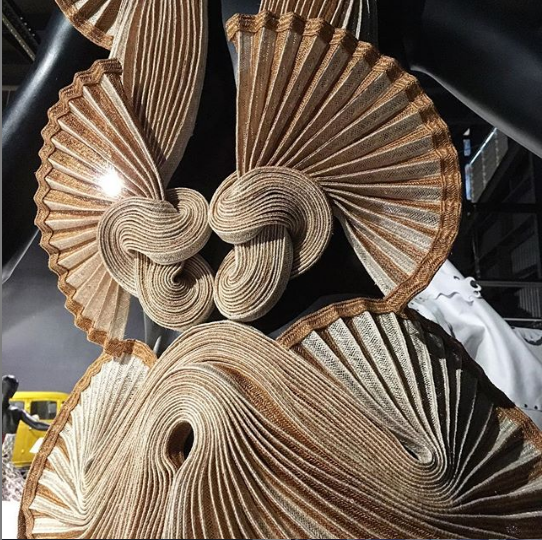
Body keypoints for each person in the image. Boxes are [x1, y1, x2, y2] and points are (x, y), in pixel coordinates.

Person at [2, 375, 49, 501]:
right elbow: (36, 424)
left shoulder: (16, 412)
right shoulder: (16, 412)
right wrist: (56, 426)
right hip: (6, 462)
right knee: (16, 491)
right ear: (14, 391)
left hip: (5, 462)